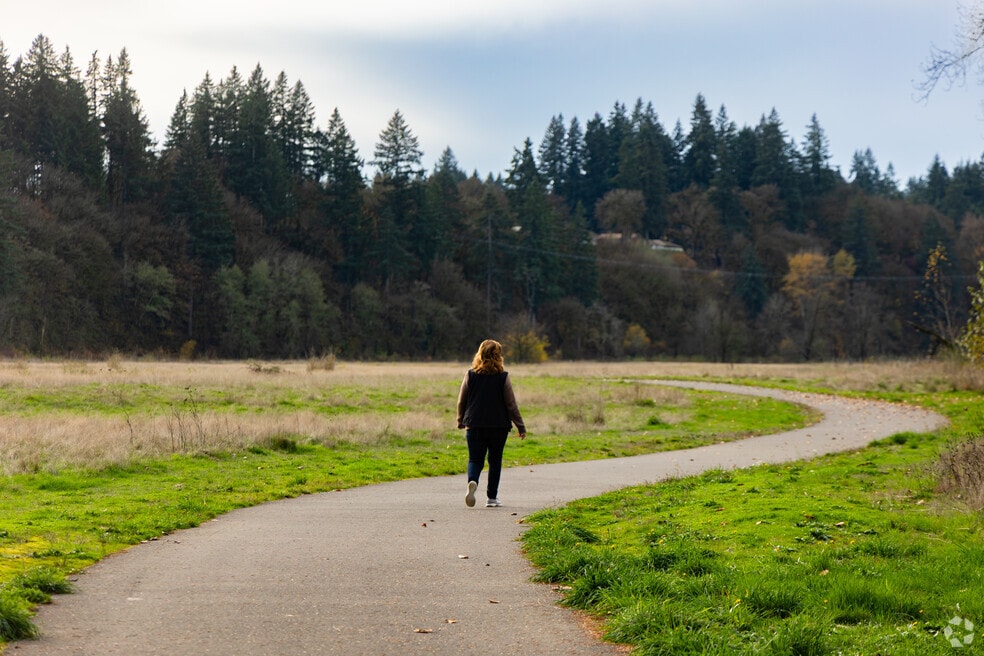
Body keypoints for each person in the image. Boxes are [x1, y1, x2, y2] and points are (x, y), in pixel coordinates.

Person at [456, 339, 526, 508]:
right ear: (498, 356)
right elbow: (511, 405)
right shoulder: (503, 377)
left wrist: (460, 420)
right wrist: (520, 426)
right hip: (498, 426)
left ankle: (473, 481)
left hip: (474, 424)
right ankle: (492, 498)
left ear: (480, 354)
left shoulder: (470, 375)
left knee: (475, 460)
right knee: (495, 461)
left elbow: (461, 401)